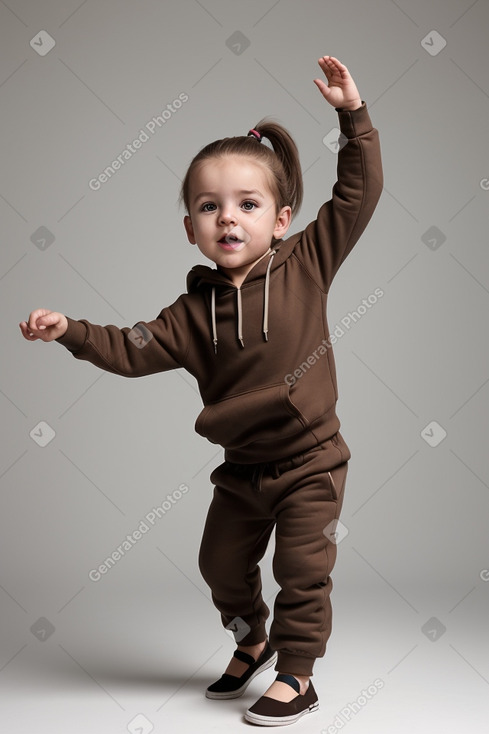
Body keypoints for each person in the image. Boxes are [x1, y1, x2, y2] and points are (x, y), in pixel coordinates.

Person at [19, 55, 383, 727]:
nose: (227, 218)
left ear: (279, 219)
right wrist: (69, 328)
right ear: (190, 228)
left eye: (247, 205)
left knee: (302, 570)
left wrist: (350, 114)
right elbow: (127, 351)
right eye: (208, 207)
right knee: (220, 565)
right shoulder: (189, 317)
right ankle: (252, 638)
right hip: (242, 470)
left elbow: (358, 195)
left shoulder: (306, 261)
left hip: (312, 464)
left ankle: (297, 675)